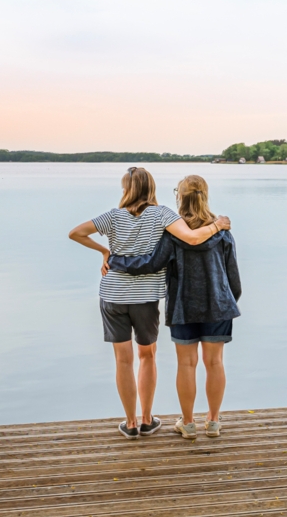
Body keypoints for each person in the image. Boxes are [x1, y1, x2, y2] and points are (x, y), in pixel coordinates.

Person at [68, 167, 231, 439]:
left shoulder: (113, 216)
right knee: (150, 356)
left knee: (124, 360)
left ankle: (133, 424)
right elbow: (198, 243)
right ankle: (153, 419)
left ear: (127, 190)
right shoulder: (162, 215)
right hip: (149, 298)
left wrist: (106, 252)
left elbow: (76, 233)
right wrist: (218, 225)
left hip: (114, 295)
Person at [109, 174, 241, 439]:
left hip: (183, 308)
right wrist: (227, 302)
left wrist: (116, 260)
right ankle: (213, 422)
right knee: (215, 363)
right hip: (219, 306)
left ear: (180, 197)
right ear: (205, 196)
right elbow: (233, 278)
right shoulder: (223, 232)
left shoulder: (172, 233)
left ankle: (189, 424)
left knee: (187, 365)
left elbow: (149, 264)